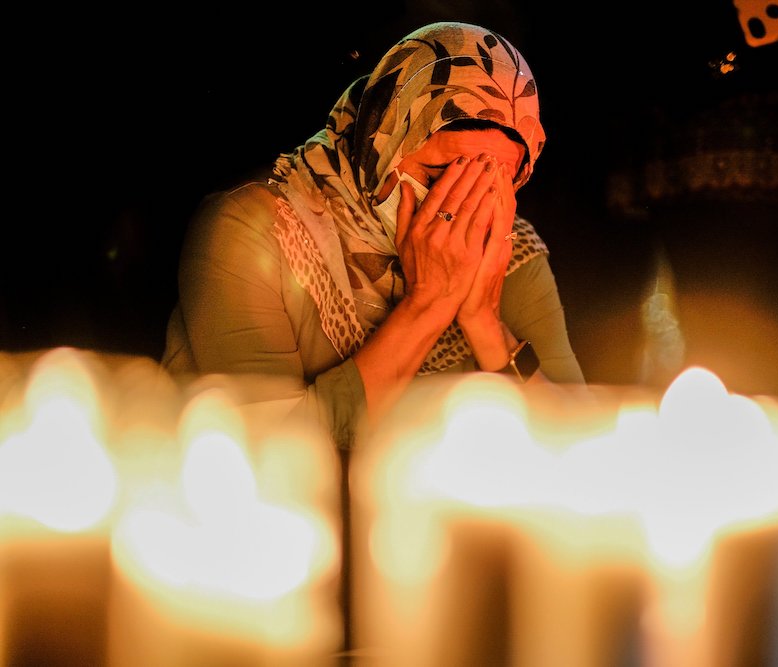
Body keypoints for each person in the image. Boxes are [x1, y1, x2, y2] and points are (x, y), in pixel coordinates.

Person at [161, 21, 585, 449]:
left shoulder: (511, 253)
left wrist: (485, 325)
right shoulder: (251, 233)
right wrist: (431, 303)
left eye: (494, 184)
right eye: (442, 174)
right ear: (384, 140)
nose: (466, 207)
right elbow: (272, 456)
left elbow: (576, 449)